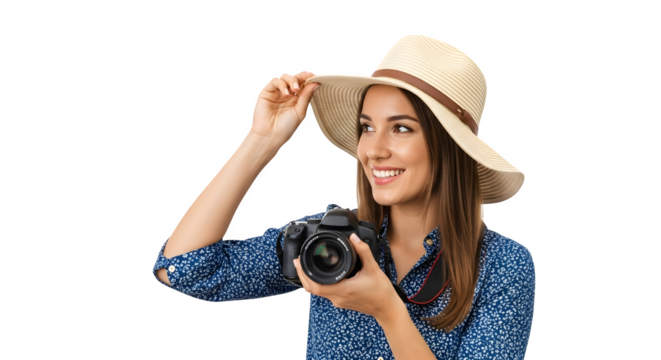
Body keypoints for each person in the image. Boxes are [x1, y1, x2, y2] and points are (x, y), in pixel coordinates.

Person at [153, 33, 535, 359]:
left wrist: (388, 311)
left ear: (451, 146)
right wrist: (262, 141)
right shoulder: (329, 239)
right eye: (367, 128)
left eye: (401, 128)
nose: (373, 150)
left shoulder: (504, 265)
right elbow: (183, 270)